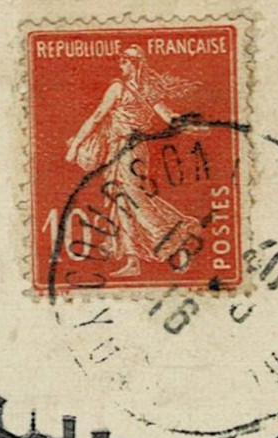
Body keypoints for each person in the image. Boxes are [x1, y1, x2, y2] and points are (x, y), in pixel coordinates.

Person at [64, 45, 201, 276]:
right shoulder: (147, 90)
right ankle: (132, 260)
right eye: (121, 61)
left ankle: (173, 235)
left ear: (134, 64)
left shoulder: (119, 88)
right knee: (122, 200)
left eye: (124, 61)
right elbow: (169, 116)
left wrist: (76, 145)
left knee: (133, 198)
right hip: (132, 149)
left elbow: (97, 117)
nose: (121, 65)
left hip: (126, 150)